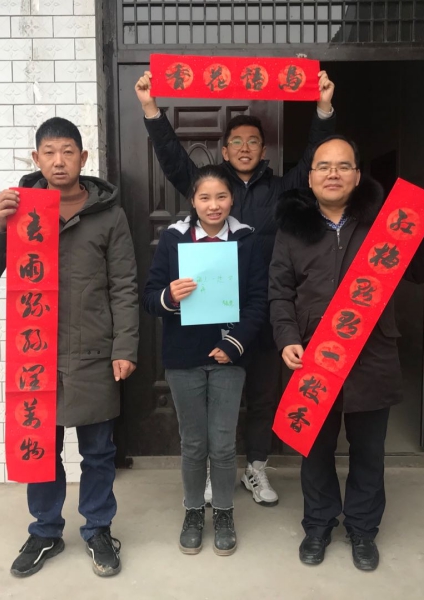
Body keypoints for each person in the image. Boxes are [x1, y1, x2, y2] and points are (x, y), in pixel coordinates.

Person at [135, 69, 336, 507]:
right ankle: (212, 470)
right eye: (237, 142)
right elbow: (173, 159)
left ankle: (256, 467)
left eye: (253, 142)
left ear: (264, 150)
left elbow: (311, 164)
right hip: (209, 317)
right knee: (213, 402)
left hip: (260, 311)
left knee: (263, 395)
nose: (245, 148)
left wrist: (323, 109)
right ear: (224, 150)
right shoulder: (212, 187)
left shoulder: (282, 189)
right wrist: (152, 109)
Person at [0, 117, 139, 578]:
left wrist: (125, 347)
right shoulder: (19, 209)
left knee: (98, 452)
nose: (58, 161)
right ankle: (45, 531)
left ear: (83, 158)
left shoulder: (109, 214)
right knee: (39, 448)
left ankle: (98, 529)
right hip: (36, 354)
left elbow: (124, 285)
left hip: (94, 353)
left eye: (67, 152)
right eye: (49, 152)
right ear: (36, 158)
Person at [268, 135, 424, 571]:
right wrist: (287, 337)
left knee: (369, 451)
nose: (333, 174)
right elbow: (279, 291)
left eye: (343, 166)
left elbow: (422, 272)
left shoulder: (387, 223)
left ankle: (363, 529)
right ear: (310, 177)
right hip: (315, 357)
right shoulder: (292, 230)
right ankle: (318, 524)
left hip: (372, 357)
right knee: (315, 450)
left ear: (357, 174)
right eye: (323, 166)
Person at [142, 165, 267, 556]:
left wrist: (235, 343)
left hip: (229, 355)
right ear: (192, 201)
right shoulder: (173, 239)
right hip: (183, 357)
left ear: (232, 199)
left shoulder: (246, 239)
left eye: (222, 197)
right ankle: (194, 511)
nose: (214, 205)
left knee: (224, 444)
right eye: (205, 197)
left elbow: (258, 301)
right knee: (194, 443)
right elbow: (149, 297)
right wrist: (169, 296)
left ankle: (224, 512)